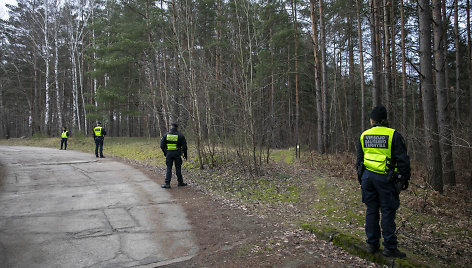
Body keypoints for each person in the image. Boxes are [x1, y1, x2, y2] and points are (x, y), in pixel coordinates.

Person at [356, 105, 411, 258]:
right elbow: (403, 160)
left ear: (372, 120)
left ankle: (372, 244)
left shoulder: (364, 135)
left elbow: (359, 161)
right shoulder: (394, 135)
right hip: (385, 179)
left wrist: (361, 179)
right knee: (387, 211)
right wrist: (404, 178)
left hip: (368, 178)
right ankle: (389, 247)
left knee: (371, 210)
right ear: (385, 120)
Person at [160, 123, 188, 188]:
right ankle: (180, 182)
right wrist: (185, 155)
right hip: (177, 153)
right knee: (178, 168)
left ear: (171, 127)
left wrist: (165, 152)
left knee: (169, 168)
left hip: (169, 153)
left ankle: (167, 183)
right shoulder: (180, 135)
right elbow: (185, 147)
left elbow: (161, 145)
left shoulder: (166, 135)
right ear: (176, 128)